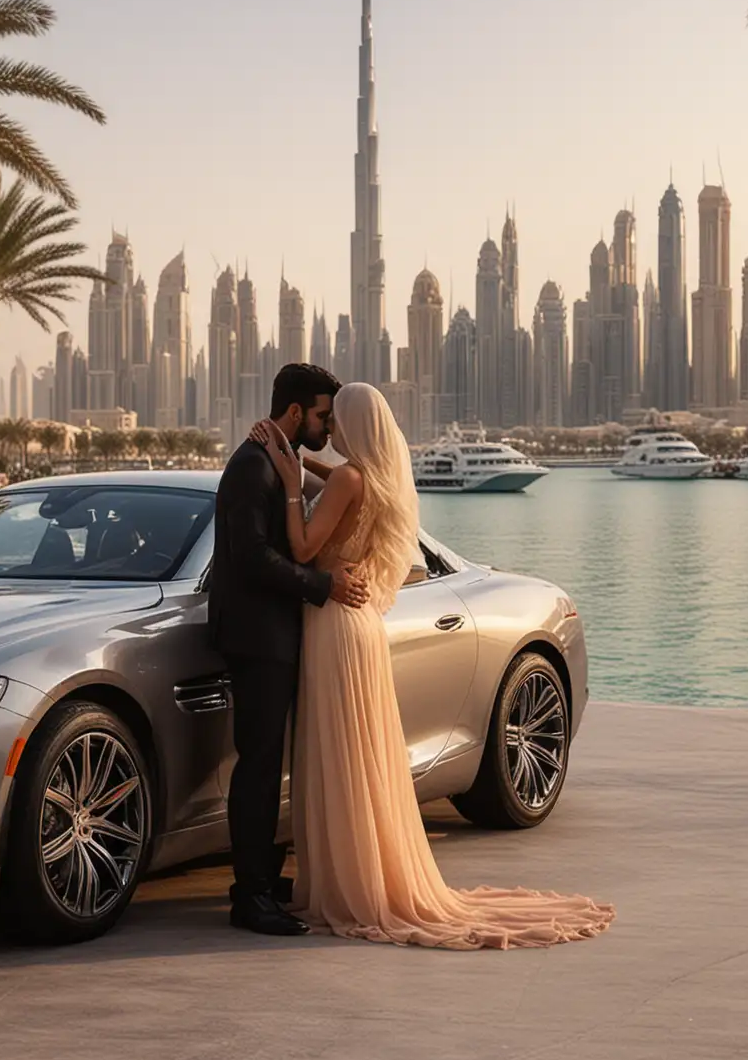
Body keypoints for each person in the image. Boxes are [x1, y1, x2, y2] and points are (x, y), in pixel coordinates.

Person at [251, 382, 614, 950]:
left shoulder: (348, 480)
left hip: (333, 625)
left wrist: (294, 483)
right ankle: (365, 874)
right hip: (360, 626)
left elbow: (300, 550)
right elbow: (344, 488)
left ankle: (350, 884)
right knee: (358, 752)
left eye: (336, 417)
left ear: (351, 423)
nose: (331, 426)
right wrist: (302, 461)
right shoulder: (374, 481)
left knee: (339, 752)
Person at [208, 363, 371, 937]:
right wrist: (325, 587)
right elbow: (252, 557)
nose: (328, 427)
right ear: (296, 412)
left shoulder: (284, 457)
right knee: (257, 767)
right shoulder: (253, 465)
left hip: (282, 632)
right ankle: (249, 897)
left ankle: (262, 876)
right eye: (323, 415)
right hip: (257, 636)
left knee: (270, 763)